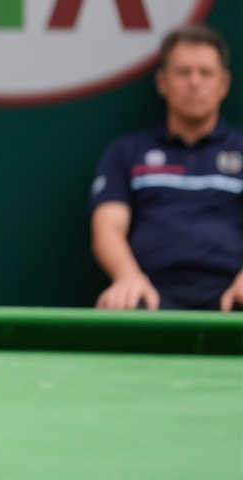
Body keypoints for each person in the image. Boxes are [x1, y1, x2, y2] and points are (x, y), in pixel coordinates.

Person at [89, 23, 243, 311]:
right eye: (183, 72)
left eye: (206, 73)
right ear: (162, 82)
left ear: (223, 84)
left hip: (232, 294)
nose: (194, 82)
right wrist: (127, 277)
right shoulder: (127, 151)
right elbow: (107, 226)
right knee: (117, 306)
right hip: (149, 294)